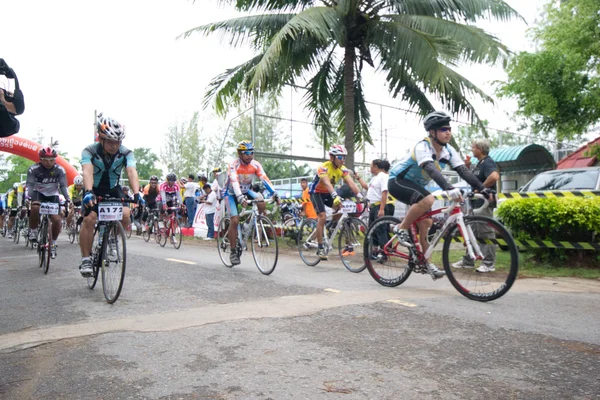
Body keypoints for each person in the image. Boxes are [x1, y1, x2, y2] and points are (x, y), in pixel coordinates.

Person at [387, 111, 493, 278]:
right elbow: (430, 168)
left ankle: (426, 264)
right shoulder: (423, 146)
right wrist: (449, 188)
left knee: (426, 223)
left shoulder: (448, 150)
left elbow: (463, 170)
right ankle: (401, 228)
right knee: (428, 199)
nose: (448, 132)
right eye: (443, 129)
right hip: (398, 181)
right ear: (432, 132)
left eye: (449, 129)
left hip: (416, 186)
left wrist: (481, 187)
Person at [79, 113, 143, 277]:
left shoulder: (126, 153)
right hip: (93, 188)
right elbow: (87, 172)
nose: (114, 145)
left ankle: (113, 239)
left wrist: (137, 194)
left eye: (117, 142)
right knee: (89, 219)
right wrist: (88, 192)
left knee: (126, 214)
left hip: (113, 188)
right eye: (110, 141)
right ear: (100, 139)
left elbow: (131, 171)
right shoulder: (89, 151)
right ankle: (86, 259)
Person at [226, 140, 279, 265]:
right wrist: (239, 197)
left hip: (246, 190)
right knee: (234, 220)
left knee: (261, 202)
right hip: (231, 193)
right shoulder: (234, 165)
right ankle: (233, 252)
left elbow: (264, 178)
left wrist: (274, 193)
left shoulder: (255, 165)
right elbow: (234, 181)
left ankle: (248, 225)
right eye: (247, 153)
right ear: (240, 154)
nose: (250, 155)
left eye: (252, 152)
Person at [308, 145, 363, 260]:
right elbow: (327, 183)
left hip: (328, 193)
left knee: (339, 209)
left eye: (344, 157)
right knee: (322, 216)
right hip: (316, 193)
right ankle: (320, 247)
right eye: (340, 157)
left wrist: (360, 196)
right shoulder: (323, 167)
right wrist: (335, 195)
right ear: (332, 157)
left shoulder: (343, 169)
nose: (342, 159)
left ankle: (330, 227)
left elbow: (351, 184)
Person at [453, 139, 500, 273]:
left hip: (484, 203)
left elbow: (494, 176)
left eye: (473, 147)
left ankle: (489, 263)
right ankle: (468, 260)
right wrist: (467, 167)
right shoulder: (479, 164)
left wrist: (481, 188)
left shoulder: (488, 162)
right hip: (475, 203)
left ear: (480, 149)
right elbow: (473, 179)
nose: (471, 149)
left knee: (485, 232)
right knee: (471, 232)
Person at [26, 147, 70, 258]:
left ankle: (53, 243)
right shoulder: (33, 169)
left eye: (51, 160)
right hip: (38, 193)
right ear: (40, 159)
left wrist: (67, 198)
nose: (48, 162)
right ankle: (34, 231)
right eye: (45, 160)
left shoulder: (60, 170)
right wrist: (29, 197)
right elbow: (30, 185)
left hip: (52, 195)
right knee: (35, 207)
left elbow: (63, 186)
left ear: (55, 159)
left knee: (56, 219)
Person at [357, 159, 394, 251]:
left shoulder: (383, 176)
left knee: (381, 229)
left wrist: (381, 209)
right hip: (373, 207)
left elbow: (384, 192)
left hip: (380, 206)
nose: (370, 169)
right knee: (373, 230)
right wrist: (358, 178)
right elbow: (367, 187)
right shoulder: (375, 178)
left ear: (376, 167)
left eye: (371, 167)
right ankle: (375, 251)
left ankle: (384, 252)